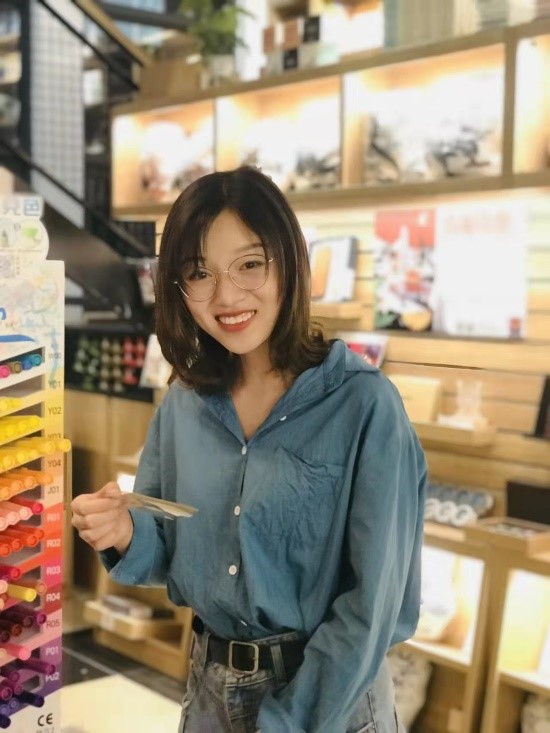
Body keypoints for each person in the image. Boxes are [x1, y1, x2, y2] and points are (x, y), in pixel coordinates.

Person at [71, 166, 427, 733]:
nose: (226, 296)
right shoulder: (184, 403)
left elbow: (374, 608)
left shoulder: (364, 405)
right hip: (209, 691)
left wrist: (289, 721)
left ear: (289, 261)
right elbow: (172, 550)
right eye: (199, 272)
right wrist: (124, 533)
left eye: (250, 264)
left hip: (326, 702)